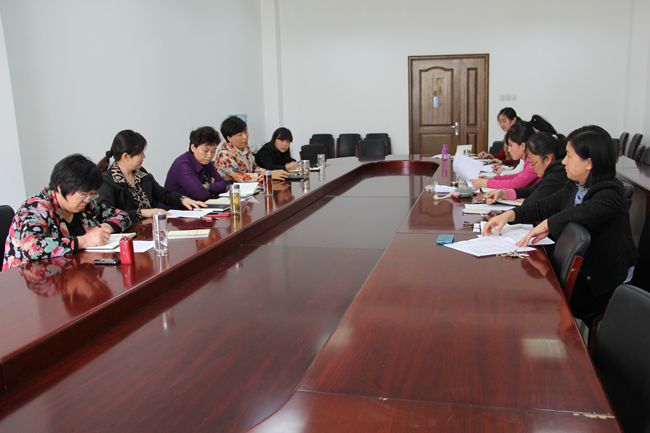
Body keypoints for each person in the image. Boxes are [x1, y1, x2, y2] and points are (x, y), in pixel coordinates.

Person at [483, 125, 638, 320]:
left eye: (569, 156)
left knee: (529, 298)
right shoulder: (575, 185)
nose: (563, 161)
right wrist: (510, 215)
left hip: (601, 284)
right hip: (580, 272)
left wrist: (547, 224)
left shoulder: (611, 194)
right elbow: (545, 205)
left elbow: (583, 212)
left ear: (588, 163)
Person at [3, 154, 131, 270]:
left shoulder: (85, 206)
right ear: (60, 187)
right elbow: (32, 247)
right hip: (30, 280)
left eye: (91, 194)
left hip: (73, 272)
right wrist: (83, 241)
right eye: (83, 194)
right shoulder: (35, 208)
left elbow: (123, 215)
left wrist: (106, 227)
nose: (87, 199)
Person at [97, 129, 205, 222]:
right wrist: (144, 212)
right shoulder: (106, 181)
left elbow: (163, 194)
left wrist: (182, 199)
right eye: (140, 153)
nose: (144, 156)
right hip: (127, 235)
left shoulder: (141, 173)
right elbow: (108, 214)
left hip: (149, 229)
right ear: (126, 156)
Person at [485, 132, 568, 206]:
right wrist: (505, 193)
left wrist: (525, 202)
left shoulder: (556, 176)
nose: (531, 167)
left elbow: (533, 203)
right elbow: (533, 190)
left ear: (547, 159)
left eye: (533, 163)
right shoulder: (552, 172)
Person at [215, 116, 288, 182]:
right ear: (229, 138)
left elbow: (254, 168)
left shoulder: (245, 148)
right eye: (240, 135)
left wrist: (270, 173)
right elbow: (240, 177)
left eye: (245, 132)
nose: (245, 137)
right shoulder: (224, 154)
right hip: (230, 190)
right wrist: (268, 175)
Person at [164, 126, 227, 200]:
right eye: (205, 151)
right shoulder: (183, 165)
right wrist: (212, 188)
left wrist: (208, 186)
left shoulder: (206, 163)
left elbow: (223, 185)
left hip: (198, 205)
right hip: (176, 206)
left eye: (213, 151)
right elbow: (201, 194)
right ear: (193, 148)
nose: (209, 155)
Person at [471, 122, 539, 189]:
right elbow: (517, 176)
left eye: (511, 145)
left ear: (522, 146)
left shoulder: (533, 161)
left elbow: (515, 183)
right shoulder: (528, 159)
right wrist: (492, 178)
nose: (508, 150)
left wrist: (486, 183)